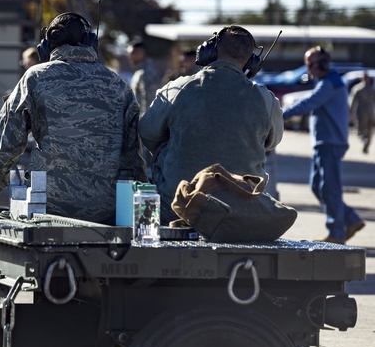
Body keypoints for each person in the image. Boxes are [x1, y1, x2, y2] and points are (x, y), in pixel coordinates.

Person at [0, 13, 146, 224]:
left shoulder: (35, 78)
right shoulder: (118, 85)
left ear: (46, 46)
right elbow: (134, 156)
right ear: (92, 42)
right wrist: (137, 213)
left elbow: (7, 143)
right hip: (107, 213)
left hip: (46, 210)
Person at [139, 26, 283, 222]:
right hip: (242, 210)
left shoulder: (177, 88)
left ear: (208, 52)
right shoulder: (266, 99)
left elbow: (147, 132)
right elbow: (272, 142)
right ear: (252, 62)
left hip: (177, 209)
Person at [283, 47, 365, 243]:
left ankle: (336, 232)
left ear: (324, 63)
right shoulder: (328, 81)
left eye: (312, 64)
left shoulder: (330, 83)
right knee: (317, 186)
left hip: (330, 143)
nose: (309, 69)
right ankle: (351, 219)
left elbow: (307, 103)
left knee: (329, 188)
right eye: (307, 65)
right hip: (324, 143)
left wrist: (278, 113)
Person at [127, 40, 161, 116]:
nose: (129, 57)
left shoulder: (146, 73)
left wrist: (145, 124)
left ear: (141, 54)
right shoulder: (140, 72)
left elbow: (149, 102)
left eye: (132, 53)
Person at [349, 72, 374, 154]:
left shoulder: (357, 88)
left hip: (362, 113)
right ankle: (367, 142)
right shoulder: (372, 89)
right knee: (369, 130)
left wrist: (351, 113)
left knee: (361, 131)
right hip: (371, 112)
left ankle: (365, 140)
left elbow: (352, 102)